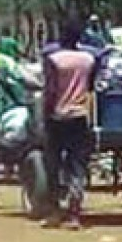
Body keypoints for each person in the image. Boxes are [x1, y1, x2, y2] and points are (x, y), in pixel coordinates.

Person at [42, 18, 97, 230]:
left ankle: (55, 212)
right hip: (80, 117)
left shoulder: (53, 59)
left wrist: (45, 115)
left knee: (53, 164)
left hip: (57, 116)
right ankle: (75, 214)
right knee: (77, 165)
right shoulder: (88, 60)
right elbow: (90, 88)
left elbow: (51, 89)